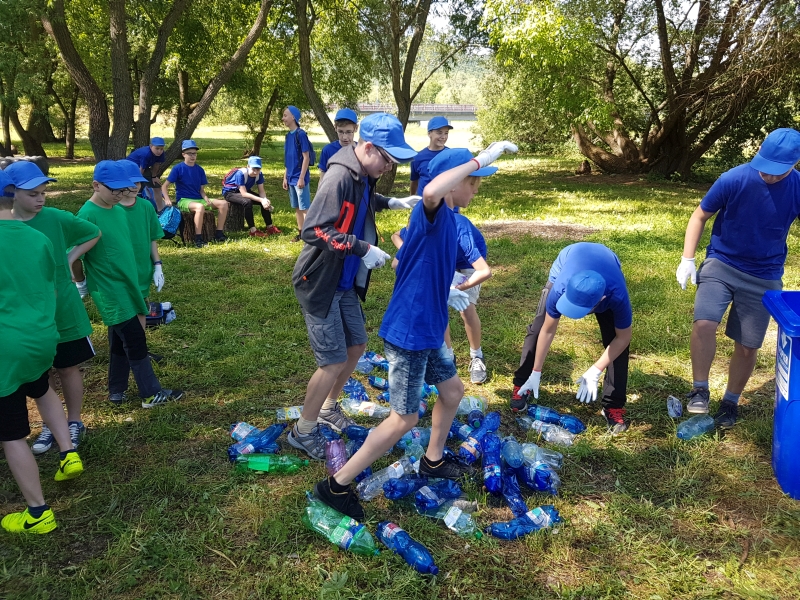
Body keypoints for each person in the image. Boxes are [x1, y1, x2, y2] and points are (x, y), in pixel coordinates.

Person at [312, 140, 517, 520]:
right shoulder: (430, 213)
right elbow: (431, 191)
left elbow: (407, 263)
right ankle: (336, 485)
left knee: (452, 392)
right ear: (455, 181)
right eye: (473, 182)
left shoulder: (451, 222)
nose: (476, 189)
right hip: (409, 334)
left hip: (430, 328)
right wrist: (481, 158)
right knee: (403, 418)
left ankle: (432, 460)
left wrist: (447, 287)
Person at [289, 113, 421, 460]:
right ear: (368, 147)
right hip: (320, 282)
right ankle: (303, 430)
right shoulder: (339, 176)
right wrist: (362, 248)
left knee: (357, 344)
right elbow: (313, 230)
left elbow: (361, 202)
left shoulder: (362, 174)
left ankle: (328, 408)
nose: (389, 167)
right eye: (387, 159)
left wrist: (390, 202)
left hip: (344, 281)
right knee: (332, 361)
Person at [676, 128, 800, 429]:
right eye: (765, 167)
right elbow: (700, 215)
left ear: (793, 164)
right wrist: (687, 259)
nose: (768, 175)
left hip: (764, 274)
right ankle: (700, 389)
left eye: (777, 171)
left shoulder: (797, 187)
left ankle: (730, 402)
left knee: (747, 345)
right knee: (704, 323)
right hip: (722, 263)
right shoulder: (734, 178)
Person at [0, 169, 83, 535]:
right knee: (40, 386)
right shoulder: (38, 238)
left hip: (6, 346)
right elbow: (52, 288)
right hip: (42, 336)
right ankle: (68, 453)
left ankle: (37, 513)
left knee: (11, 433)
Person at [6, 161, 100, 454]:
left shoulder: (56, 218)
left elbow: (93, 232)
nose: (40, 199)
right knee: (41, 373)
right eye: (32, 194)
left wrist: (70, 258)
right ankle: (51, 423)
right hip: (28, 314)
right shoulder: (7, 227)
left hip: (63, 308)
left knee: (68, 366)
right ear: (11, 193)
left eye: (43, 193)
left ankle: (74, 421)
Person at [75, 160, 184, 408]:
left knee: (119, 338)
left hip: (129, 284)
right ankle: (150, 394)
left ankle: (117, 390)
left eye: (123, 189)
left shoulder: (117, 210)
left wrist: (155, 265)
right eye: (115, 189)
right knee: (135, 338)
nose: (121, 194)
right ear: (96, 185)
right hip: (110, 290)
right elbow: (74, 256)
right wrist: (81, 283)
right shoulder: (87, 214)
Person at [513, 242, 633, 435]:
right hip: (569, 258)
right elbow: (547, 331)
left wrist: (596, 370)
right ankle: (522, 383)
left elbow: (623, 337)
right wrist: (536, 371)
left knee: (615, 342)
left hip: (608, 263)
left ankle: (613, 405)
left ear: (600, 301)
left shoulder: (617, 296)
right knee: (537, 328)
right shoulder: (560, 287)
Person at [391, 175, 492, 384]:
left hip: (468, 264)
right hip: (444, 262)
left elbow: (483, 271)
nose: (475, 191)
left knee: (467, 308)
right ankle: (448, 356)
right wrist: (408, 252)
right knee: (439, 309)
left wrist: (458, 287)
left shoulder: (459, 225)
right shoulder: (421, 226)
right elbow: (395, 243)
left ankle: (476, 356)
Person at [161, 140, 229, 248]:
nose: (193, 156)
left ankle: (219, 233)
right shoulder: (178, 168)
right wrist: (167, 199)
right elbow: (164, 186)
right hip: (184, 200)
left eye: (194, 153)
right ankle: (198, 238)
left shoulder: (200, 169)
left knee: (224, 204)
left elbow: (201, 190)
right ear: (183, 154)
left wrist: (205, 197)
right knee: (200, 207)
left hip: (198, 199)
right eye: (190, 153)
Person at [117, 160, 165, 300]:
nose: (135, 187)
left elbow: (152, 238)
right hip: (119, 272)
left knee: (143, 306)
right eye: (130, 182)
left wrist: (157, 265)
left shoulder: (146, 206)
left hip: (143, 269)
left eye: (137, 182)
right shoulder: (109, 208)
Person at [221, 156, 281, 237]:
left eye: (258, 169)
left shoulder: (259, 175)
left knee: (264, 202)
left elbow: (261, 191)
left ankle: (269, 227)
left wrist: (264, 200)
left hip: (244, 191)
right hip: (230, 193)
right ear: (248, 166)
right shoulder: (240, 174)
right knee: (247, 202)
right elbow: (244, 194)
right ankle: (253, 230)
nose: (256, 172)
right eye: (253, 169)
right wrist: (261, 200)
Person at [282, 105, 312, 242]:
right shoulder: (288, 136)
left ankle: (309, 235)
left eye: (285, 115)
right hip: (290, 178)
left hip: (300, 178)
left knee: (304, 207)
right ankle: (301, 233)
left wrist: (301, 178)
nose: (283, 118)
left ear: (293, 117)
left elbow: (306, 157)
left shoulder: (301, 134)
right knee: (297, 207)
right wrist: (285, 177)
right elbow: (288, 158)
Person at [409, 116, 452, 196]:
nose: (443, 137)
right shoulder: (418, 158)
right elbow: (414, 181)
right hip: (423, 201)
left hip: (445, 201)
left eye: (446, 133)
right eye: (439, 132)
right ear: (429, 133)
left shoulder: (451, 155)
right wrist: (412, 198)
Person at [318, 108, 358, 185]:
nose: (344, 137)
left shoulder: (361, 150)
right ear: (335, 128)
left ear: (356, 128)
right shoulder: (328, 150)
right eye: (340, 132)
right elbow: (322, 178)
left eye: (349, 132)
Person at [126, 136, 166, 210]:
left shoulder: (161, 154)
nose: (159, 151)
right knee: (137, 187)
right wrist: (138, 181)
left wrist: (154, 177)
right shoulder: (146, 154)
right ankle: (133, 207)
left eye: (161, 149)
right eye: (157, 148)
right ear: (151, 146)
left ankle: (160, 210)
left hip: (143, 168)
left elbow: (156, 165)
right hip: (130, 168)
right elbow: (142, 169)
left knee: (156, 185)